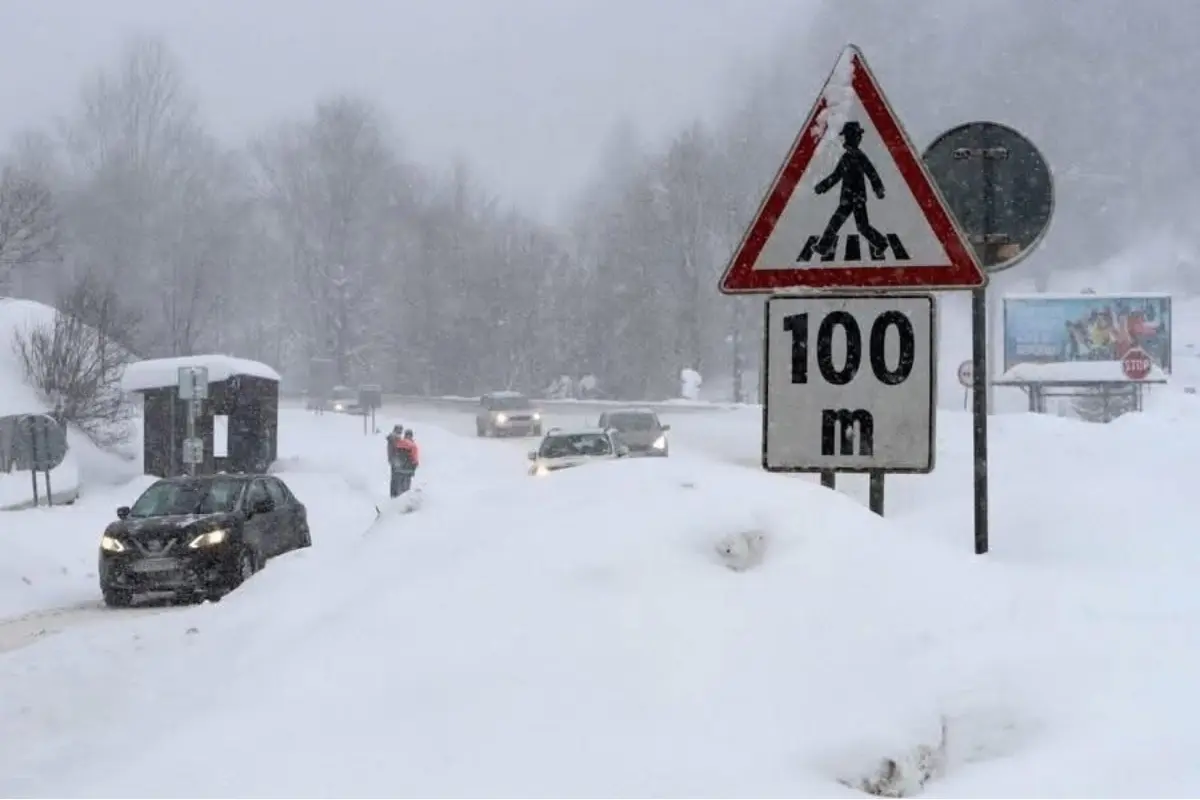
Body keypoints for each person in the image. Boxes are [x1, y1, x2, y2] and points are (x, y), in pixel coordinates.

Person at [387, 428, 420, 497]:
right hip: (408, 470)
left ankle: (396, 498)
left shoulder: (399, 443)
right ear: (411, 436)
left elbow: (394, 453)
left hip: (399, 469)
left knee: (399, 485)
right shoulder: (413, 446)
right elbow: (415, 458)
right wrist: (415, 465)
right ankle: (404, 501)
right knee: (406, 487)